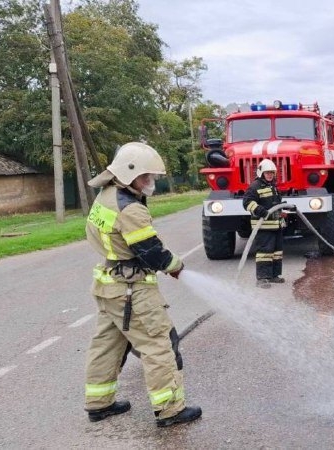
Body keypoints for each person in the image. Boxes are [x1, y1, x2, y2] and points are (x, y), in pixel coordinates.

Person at [83, 142, 202, 427]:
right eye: (146, 176)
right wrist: (177, 266)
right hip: (130, 289)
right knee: (159, 343)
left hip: (108, 284)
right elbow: (152, 251)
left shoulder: (106, 196)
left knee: (107, 344)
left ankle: (99, 403)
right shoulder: (130, 209)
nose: (151, 182)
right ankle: (170, 408)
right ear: (127, 173)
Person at [242, 158, 288, 287]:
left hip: (276, 225)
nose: (269, 175)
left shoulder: (273, 186)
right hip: (264, 226)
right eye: (267, 173)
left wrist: (282, 209)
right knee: (264, 253)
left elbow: (275, 203)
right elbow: (247, 203)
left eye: (272, 173)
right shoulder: (255, 186)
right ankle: (262, 278)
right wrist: (261, 211)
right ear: (261, 173)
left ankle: (274, 275)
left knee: (277, 252)